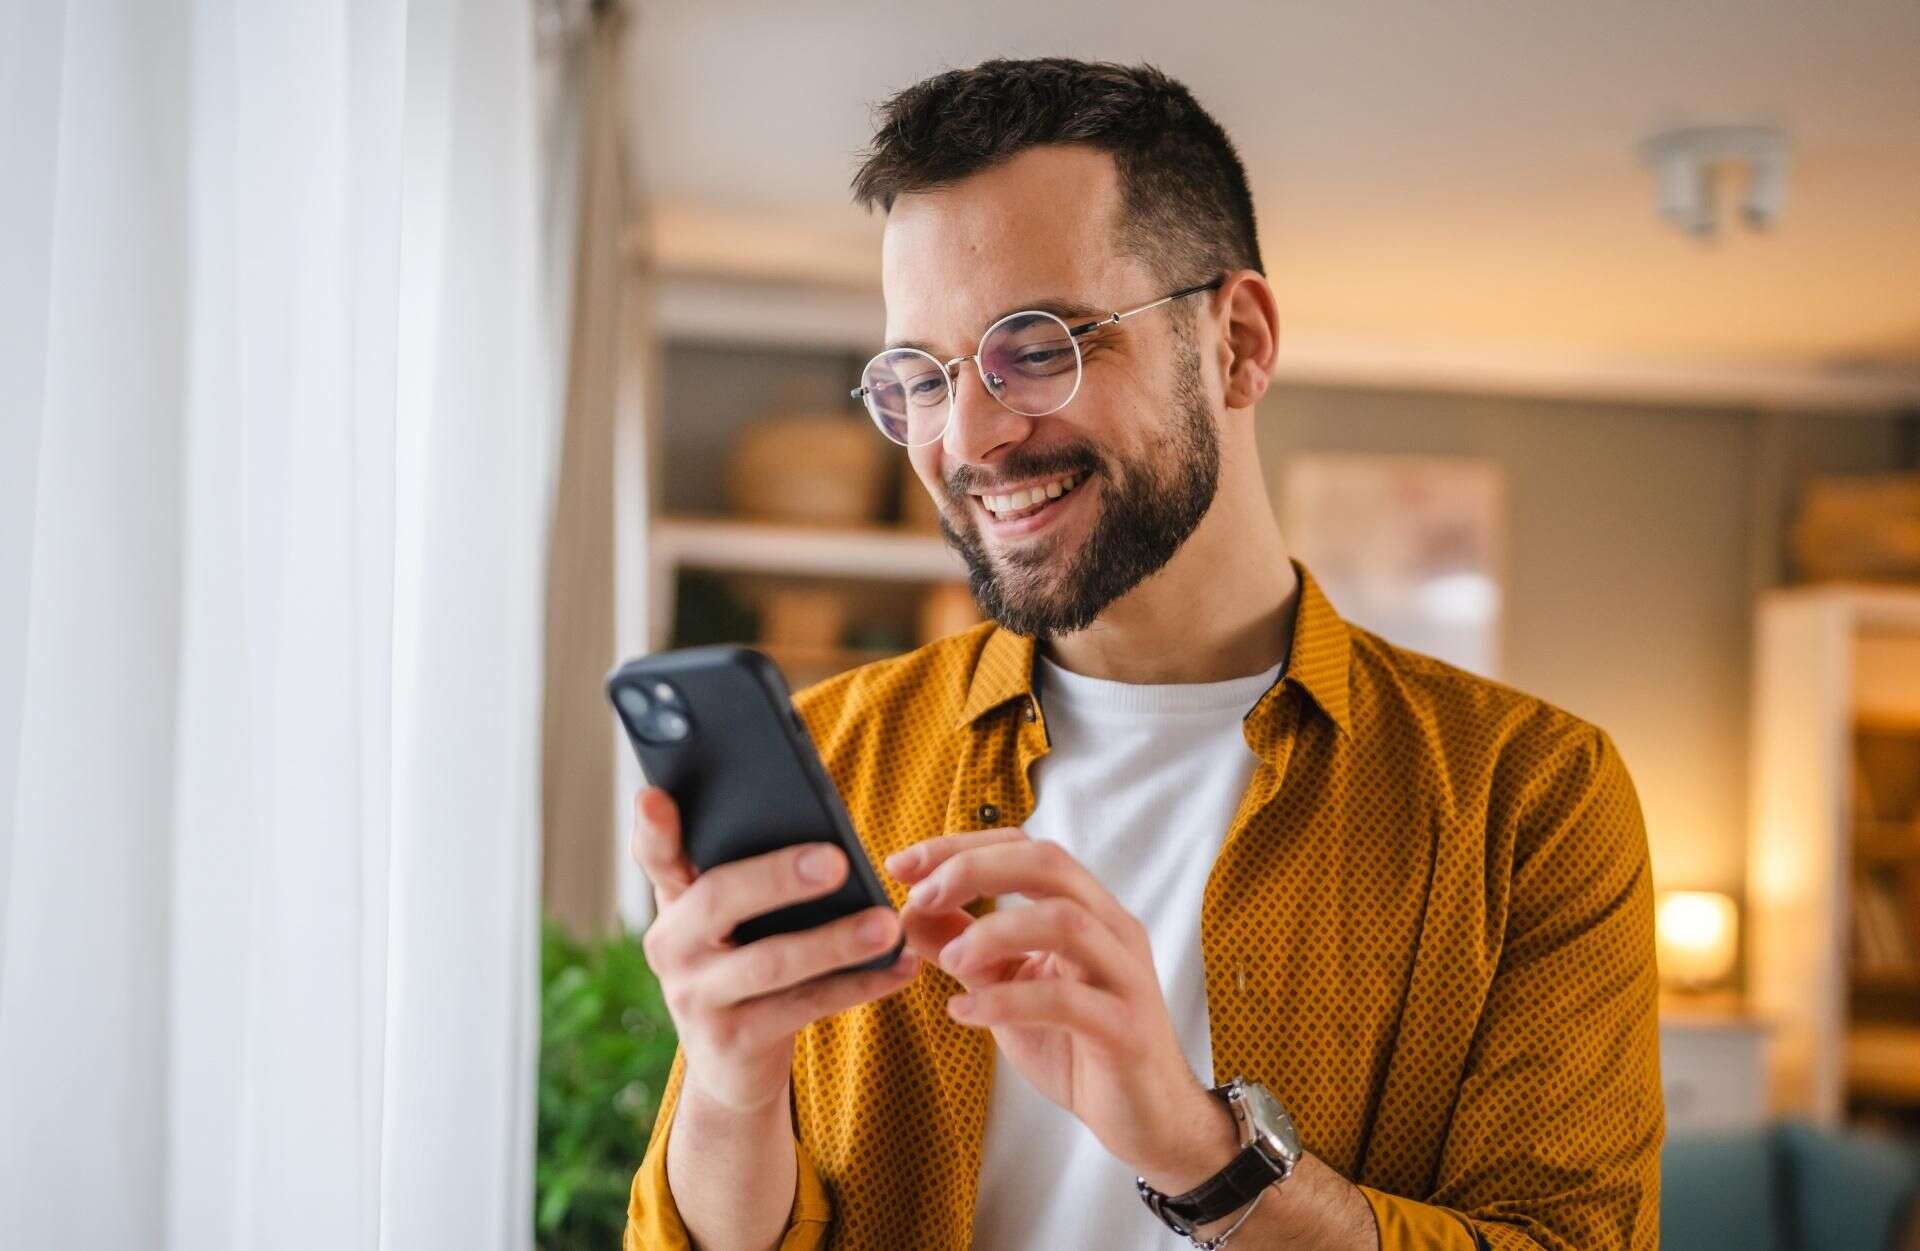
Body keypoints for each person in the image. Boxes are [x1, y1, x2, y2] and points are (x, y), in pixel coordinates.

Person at [625, 58, 1662, 1251]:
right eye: (921, 375)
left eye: (1038, 345)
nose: (967, 438)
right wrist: (730, 1086)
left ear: (1236, 344)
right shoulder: (841, 755)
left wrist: (1198, 1151)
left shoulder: (1529, 799)